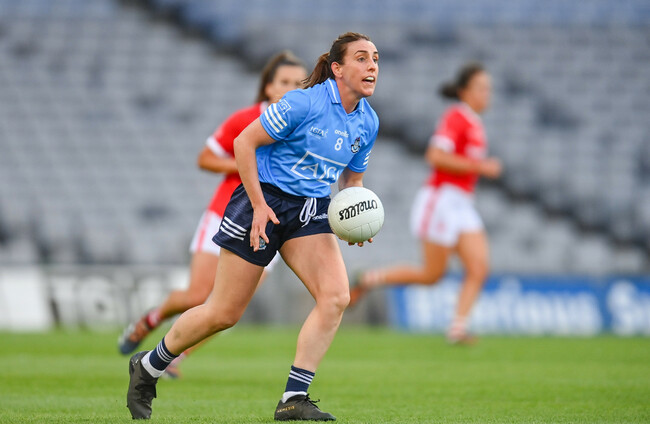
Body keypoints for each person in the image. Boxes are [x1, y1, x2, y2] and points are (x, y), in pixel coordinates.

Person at [126, 32, 380, 421]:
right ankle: (148, 366)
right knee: (223, 313)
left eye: (375, 58)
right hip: (262, 202)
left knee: (335, 297)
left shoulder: (368, 121)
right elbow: (244, 143)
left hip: (310, 211)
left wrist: (356, 218)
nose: (372, 65)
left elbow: (352, 181)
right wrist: (259, 206)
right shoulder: (303, 102)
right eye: (361, 58)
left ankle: (293, 398)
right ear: (337, 68)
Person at [117, 51, 308, 377]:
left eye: (298, 84)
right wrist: (245, 164)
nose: (290, 89)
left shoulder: (307, 126)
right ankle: (150, 320)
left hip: (271, 223)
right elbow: (205, 158)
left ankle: (175, 356)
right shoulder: (245, 119)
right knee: (197, 295)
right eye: (284, 82)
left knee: (230, 307)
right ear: (268, 87)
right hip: (227, 213)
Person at [348, 62, 502, 345]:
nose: (486, 94)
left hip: (462, 202)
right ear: (464, 91)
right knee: (431, 275)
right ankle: (369, 278)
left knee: (478, 267)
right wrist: (480, 166)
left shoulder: (473, 122)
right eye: (481, 88)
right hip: (442, 199)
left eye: (488, 89)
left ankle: (457, 328)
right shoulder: (456, 116)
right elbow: (435, 156)